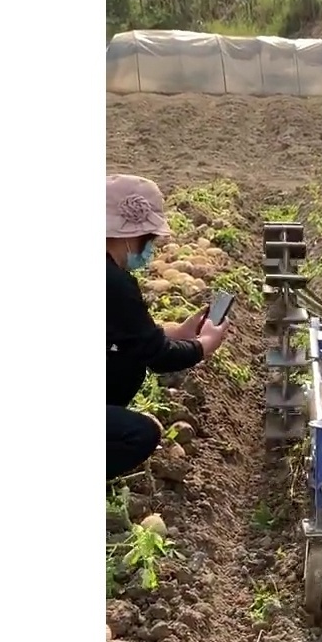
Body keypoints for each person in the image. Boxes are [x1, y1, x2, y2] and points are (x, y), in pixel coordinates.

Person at [106, 174, 230, 481]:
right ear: (129, 234)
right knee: (139, 434)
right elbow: (159, 358)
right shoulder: (113, 282)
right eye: (149, 238)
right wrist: (204, 344)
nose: (151, 248)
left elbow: (124, 337)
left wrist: (179, 332)